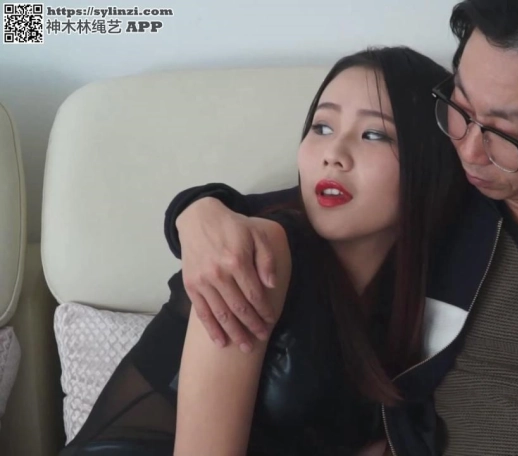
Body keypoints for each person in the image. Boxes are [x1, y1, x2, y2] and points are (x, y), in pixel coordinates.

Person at [166, 0, 518, 455]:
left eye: (505, 134)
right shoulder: (449, 182)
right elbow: (294, 210)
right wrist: (197, 211)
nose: (468, 150)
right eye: (461, 107)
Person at [58, 46, 465, 456]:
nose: (333, 155)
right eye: (322, 127)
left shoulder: (420, 293)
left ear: (428, 160)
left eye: (373, 134)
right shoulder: (260, 255)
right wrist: (193, 210)